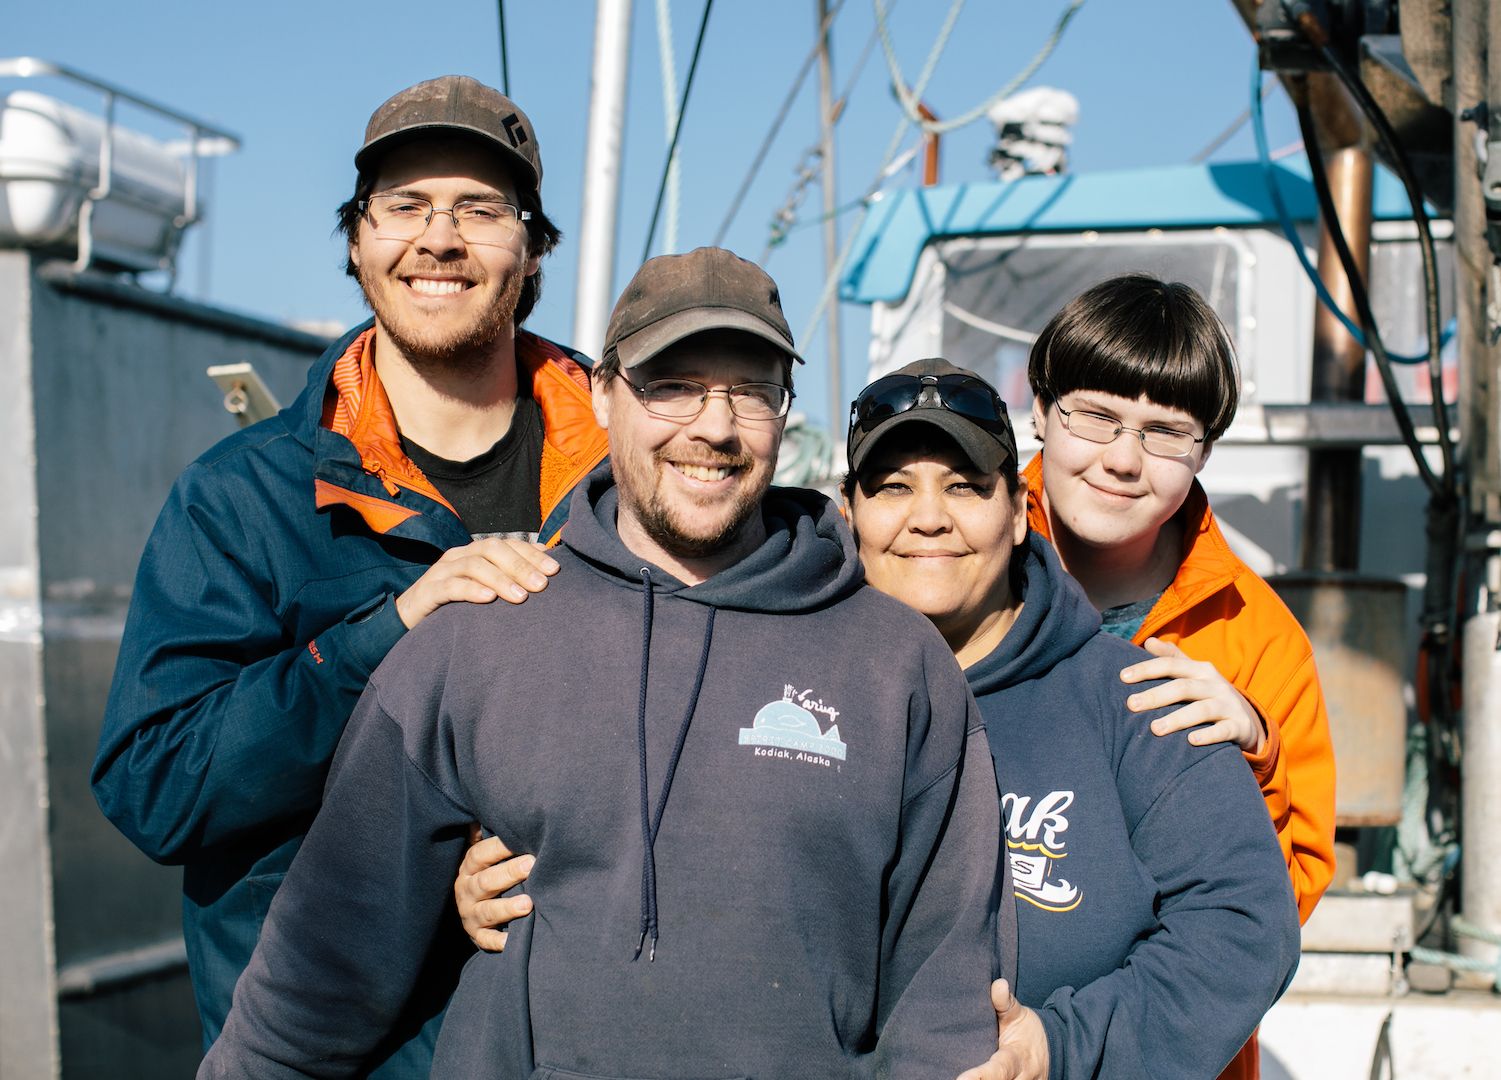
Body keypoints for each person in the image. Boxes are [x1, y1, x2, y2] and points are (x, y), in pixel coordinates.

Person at [199, 247, 1012, 1079]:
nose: (715, 426)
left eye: (751, 392)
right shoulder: (476, 640)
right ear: (601, 393)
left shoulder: (895, 663)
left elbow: (941, 996)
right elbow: (319, 975)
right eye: (674, 385)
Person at [458, 356, 1302, 1079]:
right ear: (848, 511)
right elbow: (631, 823)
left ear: (1016, 512)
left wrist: (1062, 1047)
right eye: (892, 487)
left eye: (965, 488)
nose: (927, 517)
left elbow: (1241, 926)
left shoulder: (1135, 699)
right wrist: (483, 883)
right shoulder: (755, 668)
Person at [92, 74, 607, 1072]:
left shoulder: (631, 487)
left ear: (534, 245)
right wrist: (386, 635)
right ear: (357, 242)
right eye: (403, 207)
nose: (439, 239)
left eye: (480, 210)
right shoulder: (241, 499)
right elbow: (158, 788)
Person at [1024, 274, 1337, 1080]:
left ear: (1204, 452)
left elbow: (1276, 910)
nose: (1123, 460)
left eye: (1166, 433)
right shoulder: (939, 561)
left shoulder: (1261, 639)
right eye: (1094, 416)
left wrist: (1255, 754)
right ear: (1037, 410)